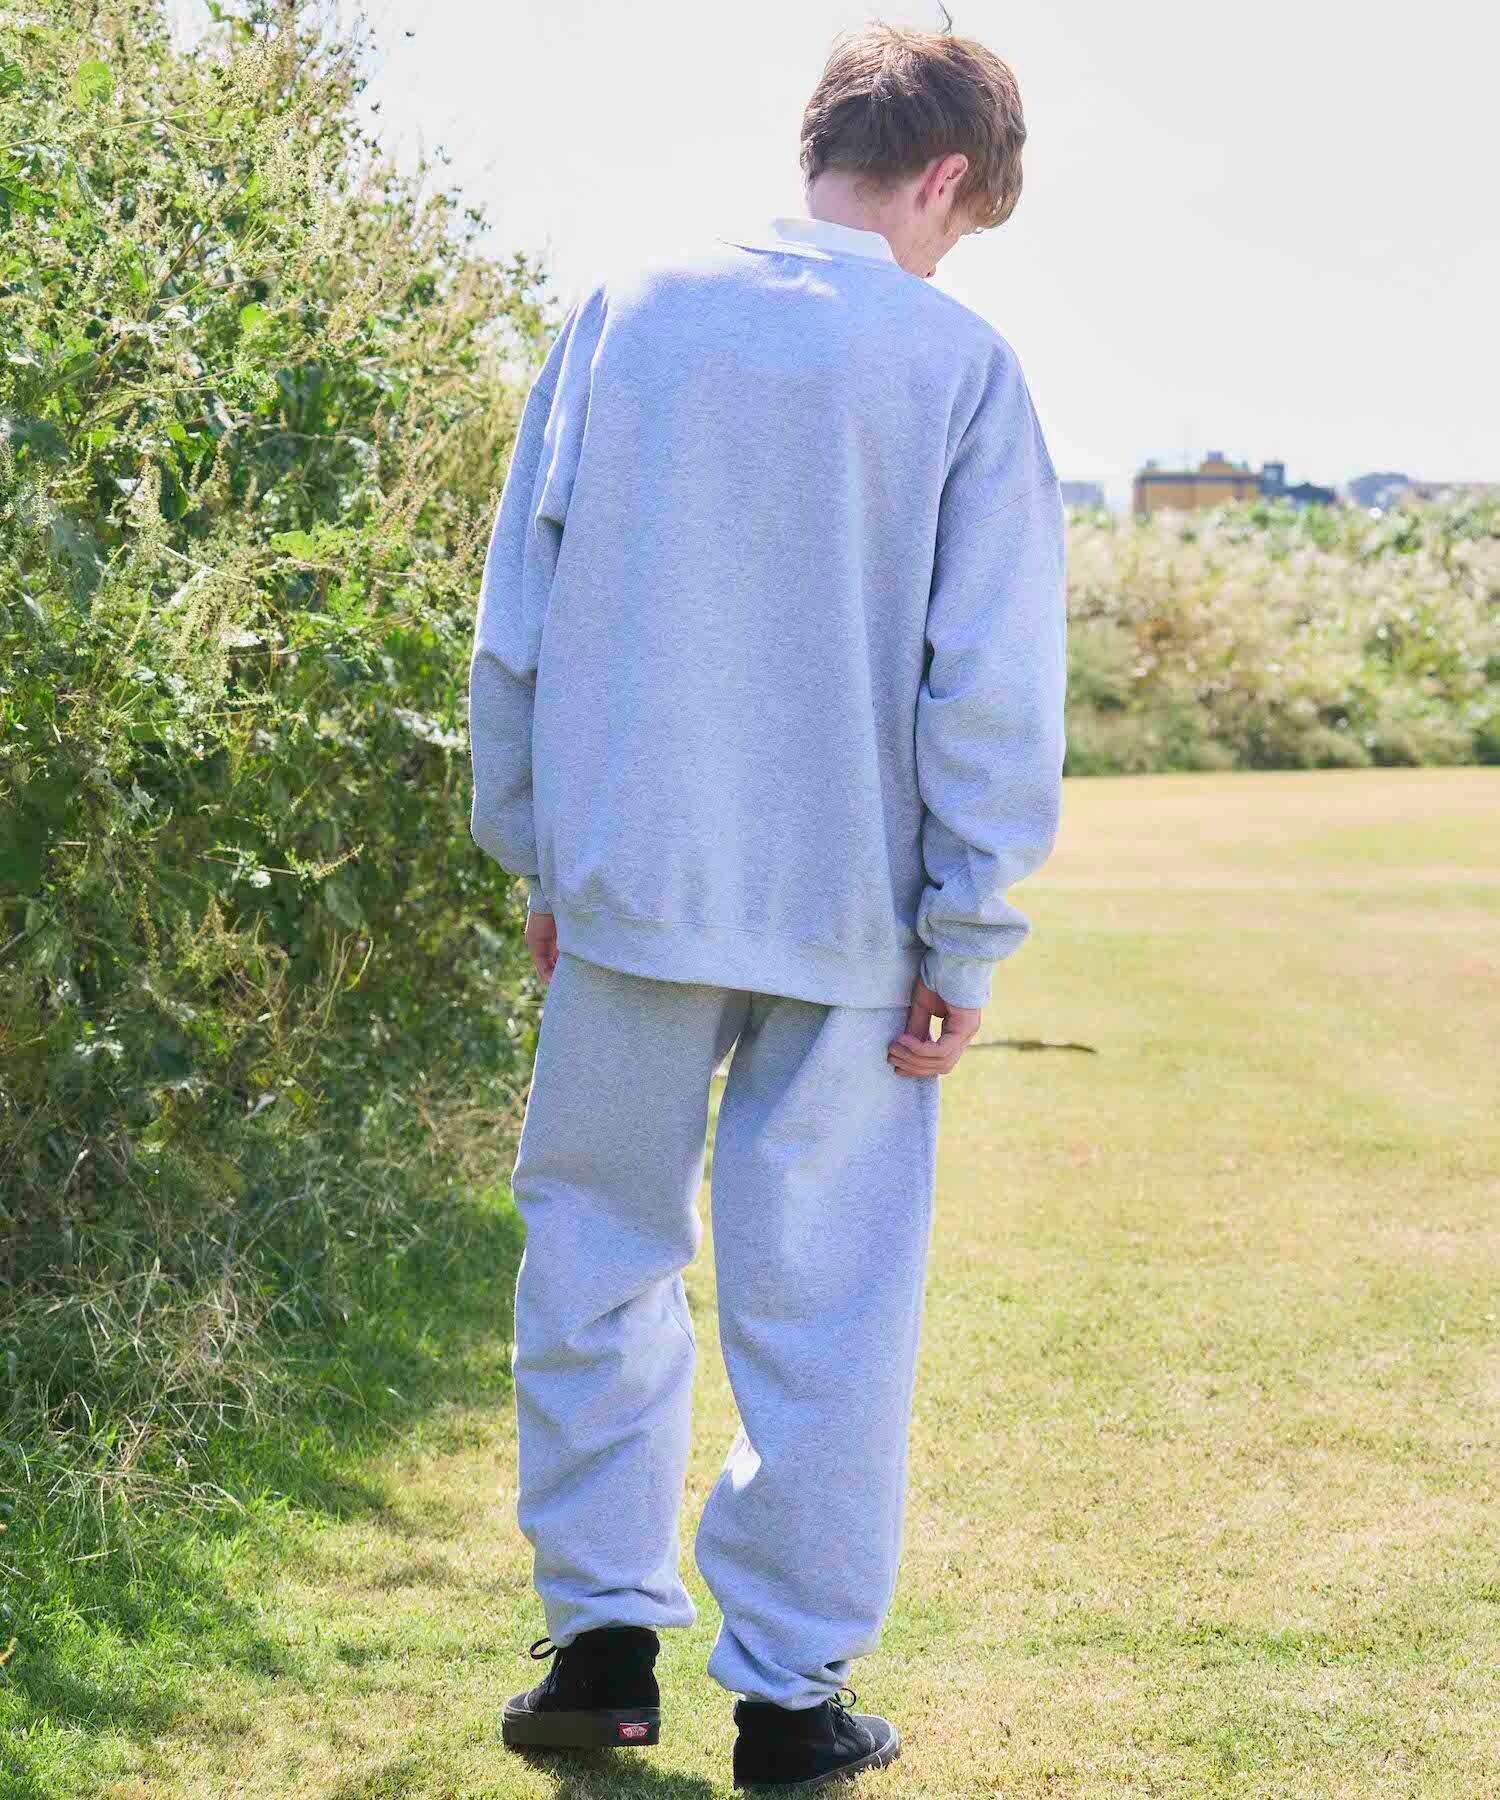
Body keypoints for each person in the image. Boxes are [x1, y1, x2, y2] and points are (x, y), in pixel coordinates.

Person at [468, 16, 1066, 1791]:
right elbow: (987, 686)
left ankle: (599, 1649)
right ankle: (794, 1702)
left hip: (633, 887)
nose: (950, 256)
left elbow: (520, 617)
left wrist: (541, 851)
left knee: (596, 1258)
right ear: (946, 177)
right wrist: (969, 930)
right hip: (853, 919)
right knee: (831, 1304)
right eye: (964, 225)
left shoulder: (629, 309)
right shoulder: (959, 366)